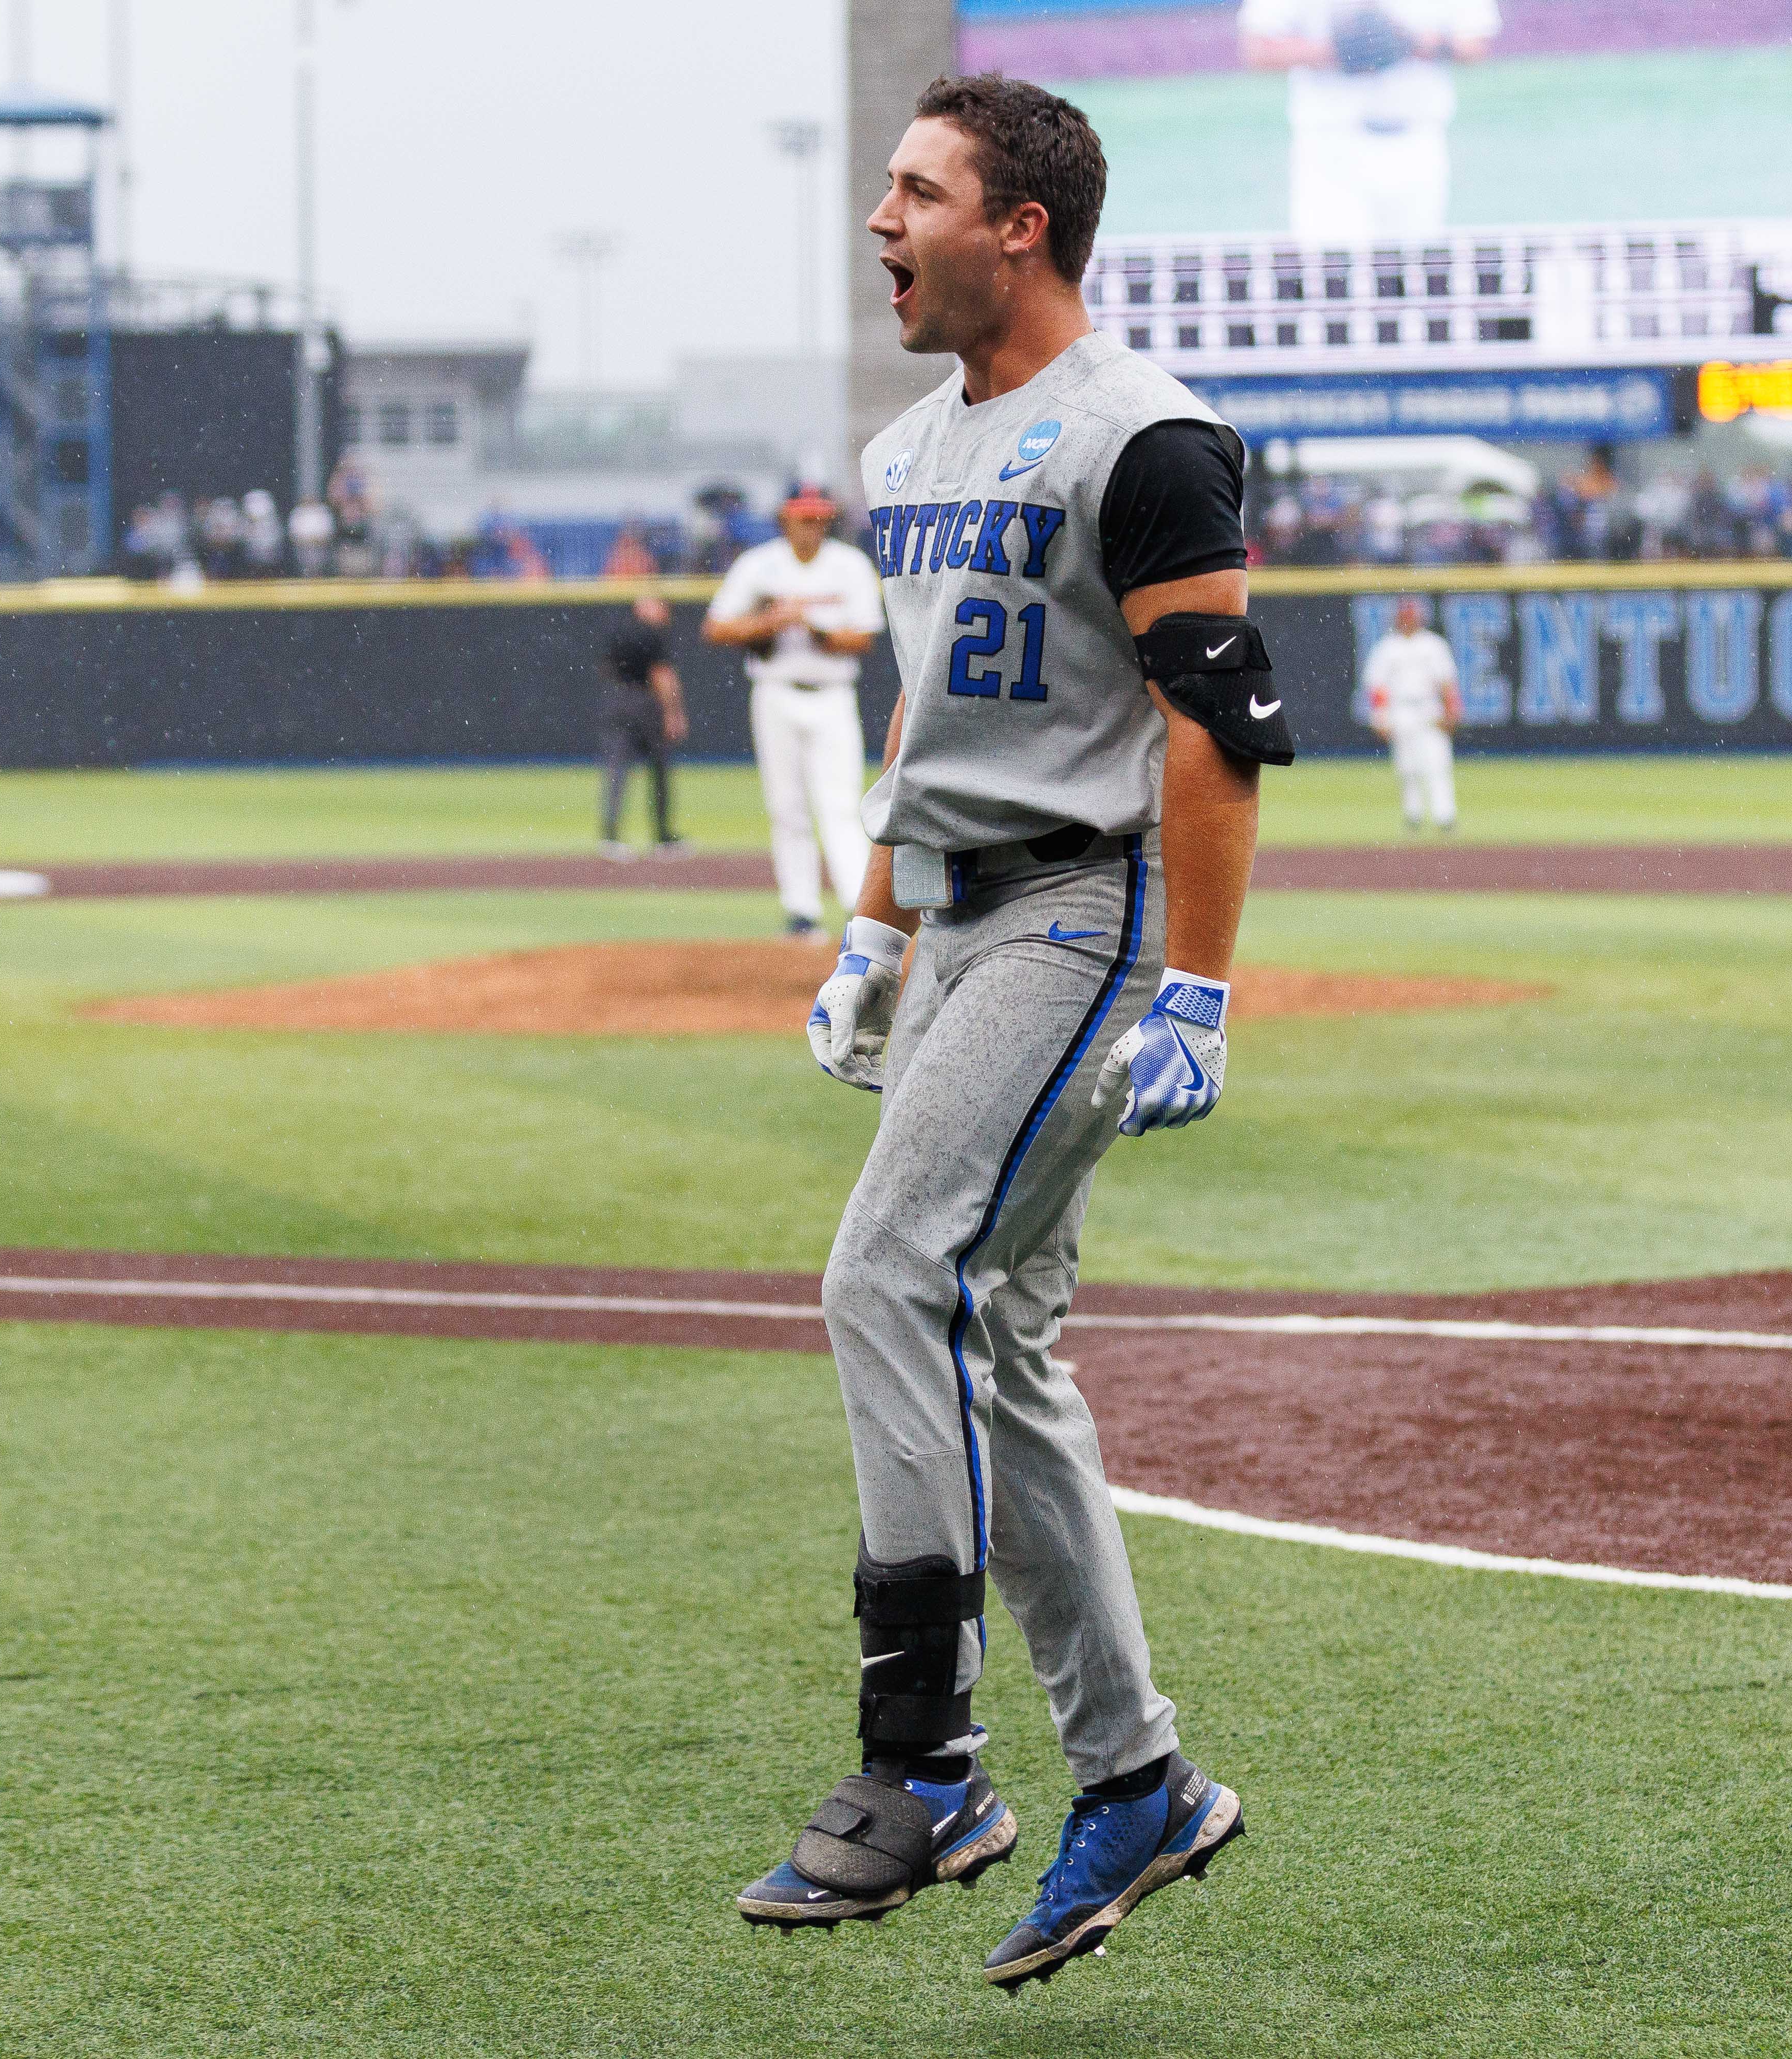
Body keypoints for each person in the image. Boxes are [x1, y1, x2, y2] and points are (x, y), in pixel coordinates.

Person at [736, 75, 1282, 1988]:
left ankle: (927, 1763)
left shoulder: (1146, 434)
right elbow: (922, 721)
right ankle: (1133, 1774)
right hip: (961, 913)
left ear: (1019, 224)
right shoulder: (904, 453)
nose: (882, 222)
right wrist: (872, 930)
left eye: (915, 192)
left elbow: (1212, 722)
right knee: (1007, 1346)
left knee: (890, 1276)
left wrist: (1200, 986)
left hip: (1085, 906)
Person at [702, 484, 885, 938]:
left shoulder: (848, 565)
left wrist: (812, 624)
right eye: (804, 517)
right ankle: (800, 912)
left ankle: (854, 908)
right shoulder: (759, 564)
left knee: (841, 804)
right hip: (775, 690)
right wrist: (771, 620)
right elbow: (716, 627)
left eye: (819, 516)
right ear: (785, 518)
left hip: (832, 692)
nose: (812, 525)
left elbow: (862, 639)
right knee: (787, 807)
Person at [1239, 0, 1499, 240]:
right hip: (1330, 146)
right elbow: (1259, 50)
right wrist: (1338, 51)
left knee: (1412, 276)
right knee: (1332, 275)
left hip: (1417, 141)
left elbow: (1477, 43)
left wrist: (1410, 43)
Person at [597, 592, 688, 858]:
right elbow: (662, 676)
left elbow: (606, 668)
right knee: (659, 769)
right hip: (646, 702)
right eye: (660, 605)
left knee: (617, 770)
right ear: (645, 607)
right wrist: (673, 713)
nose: (665, 612)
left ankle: (611, 838)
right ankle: (662, 838)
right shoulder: (652, 635)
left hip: (617, 699)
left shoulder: (618, 632)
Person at [1363, 595, 1461, 830]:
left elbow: (1447, 682)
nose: (1409, 618)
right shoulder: (1387, 647)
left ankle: (1445, 816)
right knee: (1407, 767)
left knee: (1438, 763)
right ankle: (1413, 815)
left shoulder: (1433, 644)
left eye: (1412, 614)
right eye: (1405, 614)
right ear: (1397, 617)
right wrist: (1380, 717)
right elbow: (1377, 686)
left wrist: (1452, 711)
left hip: (1429, 708)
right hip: (1401, 709)